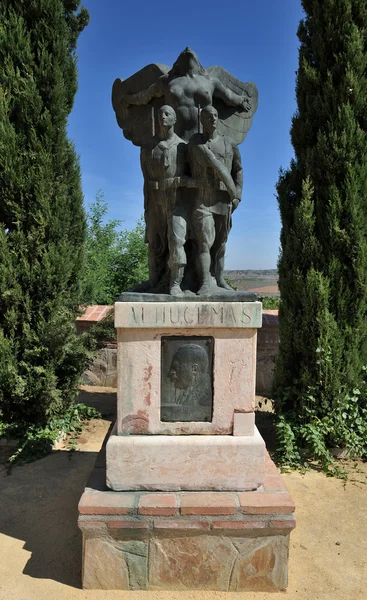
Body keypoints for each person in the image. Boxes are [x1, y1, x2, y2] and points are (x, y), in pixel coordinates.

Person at [122, 48, 251, 142]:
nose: (187, 49)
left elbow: (228, 96)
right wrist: (129, 99)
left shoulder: (210, 81)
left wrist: (241, 100)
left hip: (204, 139)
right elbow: (145, 96)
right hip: (175, 140)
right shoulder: (167, 81)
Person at [188, 105, 243, 295]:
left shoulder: (229, 143)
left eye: (215, 115)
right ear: (202, 120)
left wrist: (237, 196)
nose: (213, 119)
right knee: (204, 241)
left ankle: (219, 279)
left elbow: (238, 170)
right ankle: (204, 282)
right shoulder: (195, 143)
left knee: (220, 244)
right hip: (202, 200)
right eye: (208, 116)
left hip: (224, 201)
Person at [140, 105, 189, 293]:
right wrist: (147, 207)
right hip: (155, 203)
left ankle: (175, 284)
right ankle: (154, 281)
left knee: (176, 241)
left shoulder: (184, 147)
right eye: (160, 114)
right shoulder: (149, 148)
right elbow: (145, 178)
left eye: (167, 114)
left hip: (177, 202)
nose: (163, 117)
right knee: (154, 242)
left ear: (175, 119)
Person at [168, 344, 212, 414]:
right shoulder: (187, 392)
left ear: (194, 369)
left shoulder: (207, 397)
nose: (170, 373)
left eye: (176, 367)